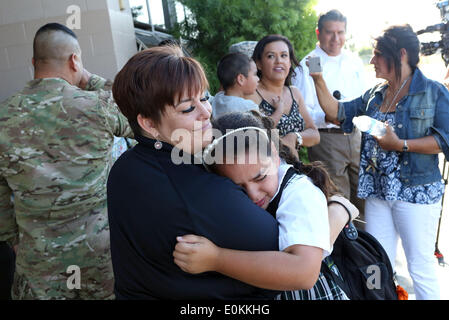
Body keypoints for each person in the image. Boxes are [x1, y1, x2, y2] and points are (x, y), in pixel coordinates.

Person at [107, 45, 357, 299]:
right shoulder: (194, 188)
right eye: (187, 108)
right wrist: (337, 213)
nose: (206, 113)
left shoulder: (128, 166)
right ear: (148, 123)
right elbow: (298, 262)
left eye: (204, 98)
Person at [309, 24, 449, 300]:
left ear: (400, 55)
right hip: (377, 192)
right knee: (376, 263)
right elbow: (338, 113)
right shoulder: (375, 92)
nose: (371, 60)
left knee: (419, 265)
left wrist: (401, 145)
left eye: (377, 55)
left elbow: (447, 139)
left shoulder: (433, 92)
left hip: (416, 194)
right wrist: (317, 78)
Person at [0, 23, 133, 299]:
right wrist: (89, 79)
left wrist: (13, 241)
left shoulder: (3, 117)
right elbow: (137, 116)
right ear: (75, 60)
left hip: (38, 264)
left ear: (33, 62)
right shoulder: (97, 105)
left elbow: (1, 198)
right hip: (98, 259)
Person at [173, 111, 358, 300]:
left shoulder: (299, 193)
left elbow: (304, 272)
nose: (253, 194)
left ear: (274, 155)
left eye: (260, 177)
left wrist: (216, 259)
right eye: (238, 188)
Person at [292, 9, 367, 229]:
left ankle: (366, 252)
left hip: (356, 136)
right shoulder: (310, 64)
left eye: (340, 32)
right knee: (338, 201)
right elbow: (300, 110)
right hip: (327, 139)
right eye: (329, 32)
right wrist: (325, 116)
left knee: (364, 196)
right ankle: (343, 253)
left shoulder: (353, 61)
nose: (336, 39)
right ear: (318, 33)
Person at [247, 34, 320, 158]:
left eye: (284, 55)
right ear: (259, 63)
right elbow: (250, 138)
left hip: (293, 167)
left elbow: (315, 134)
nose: (279, 61)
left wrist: (295, 137)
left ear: (290, 62)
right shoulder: (251, 94)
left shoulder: (294, 93)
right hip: (264, 168)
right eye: (271, 56)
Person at [211, 52, 259, 118]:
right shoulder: (248, 106)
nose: (258, 79)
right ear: (241, 79)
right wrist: (278, 109)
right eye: (255, 74)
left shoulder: (217, 98)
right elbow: (267, 125)